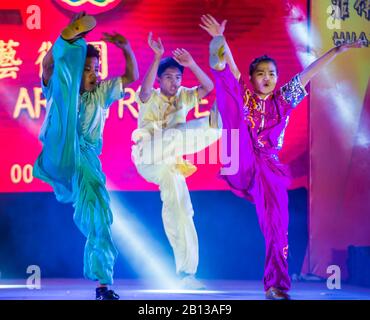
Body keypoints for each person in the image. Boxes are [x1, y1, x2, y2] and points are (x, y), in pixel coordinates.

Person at [200, 13, 364, 300]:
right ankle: (219, 62)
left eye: (272, 73)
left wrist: (336, 51)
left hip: (269, 167)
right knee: (232, 96)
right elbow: (237, 74)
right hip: (239, 156)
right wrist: (220, 38)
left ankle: (275, 286)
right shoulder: (246, 95)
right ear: (252, 78)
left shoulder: (283, 101)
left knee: (278, 225)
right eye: (261, 73)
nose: (267, 78)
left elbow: (307, 74)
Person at [33, 11, 139, 300]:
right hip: (61, 147)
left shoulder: (100, 93)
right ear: (77, 70)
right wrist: (65, 41)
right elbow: (47, 66)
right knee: (63, 96)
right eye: (89, 69)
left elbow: (132, 77)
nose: (95, 74)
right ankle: (70, 45)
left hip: (87, 163)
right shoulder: (60, 87)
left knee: (100, 219)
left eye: (97, 68)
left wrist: (126, 47)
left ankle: (103, 284)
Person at [131, 32, 221, 289]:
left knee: (181, 209)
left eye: (178, 77)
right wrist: (157, 56)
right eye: (168, 77)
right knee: (175, 133)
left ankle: (186, 273)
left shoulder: (185, 94)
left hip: (169, 163)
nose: (174, 81)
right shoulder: (150, 96)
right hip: (148, 155)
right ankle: (212, 125)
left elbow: (208, 88)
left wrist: (192, 64)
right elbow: (146, 89)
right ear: (160, 79)